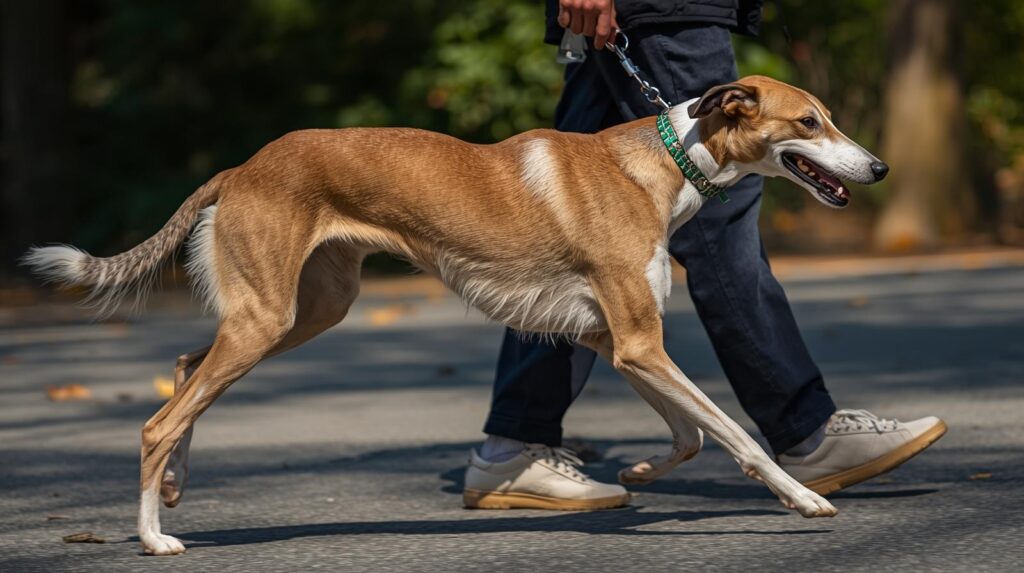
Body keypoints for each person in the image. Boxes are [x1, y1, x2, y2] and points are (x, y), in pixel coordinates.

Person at [462, 0, 946, 509]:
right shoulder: (733, 109)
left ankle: (514, 446)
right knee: (718, 196)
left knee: (567, 243)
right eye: (809, 126)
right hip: (668, 10)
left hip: (637, 15)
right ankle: (807, 433)